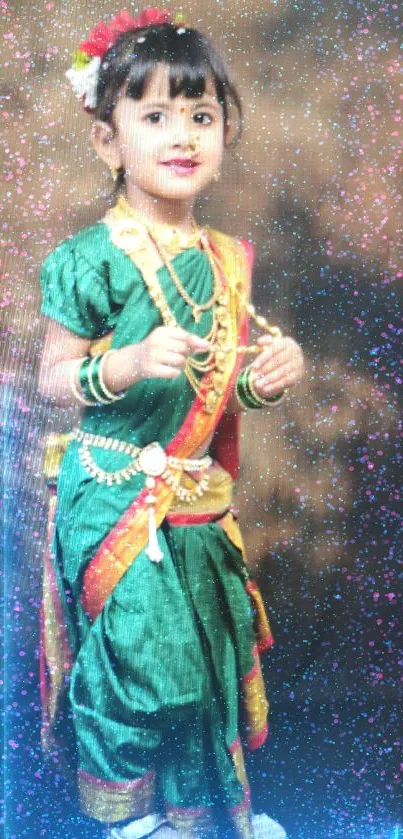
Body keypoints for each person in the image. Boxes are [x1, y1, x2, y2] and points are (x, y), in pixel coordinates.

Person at [38, 9, 304, 839]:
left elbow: (216, 393)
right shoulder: (86, 258)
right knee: (147, 668)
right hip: (114, 495)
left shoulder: (226, 258)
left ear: (225, 130)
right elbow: (51, 380)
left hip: (196, 504)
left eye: (200, 115)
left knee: (207, 663)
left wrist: (263, 383)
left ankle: (197, 817)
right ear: (108, 142)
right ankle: (129, 818)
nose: (181, 134)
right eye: (153, 116)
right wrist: (122, 363)